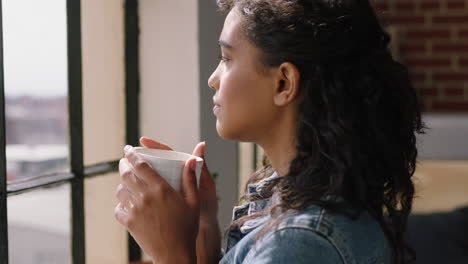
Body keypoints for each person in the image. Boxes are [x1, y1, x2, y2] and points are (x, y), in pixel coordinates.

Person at [114, 0, 425, 263]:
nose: (213, 79)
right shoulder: (311, 202)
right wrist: (203, 232)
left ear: (283, 83)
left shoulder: (298, 242)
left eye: (226, 58)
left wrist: (170, 253)